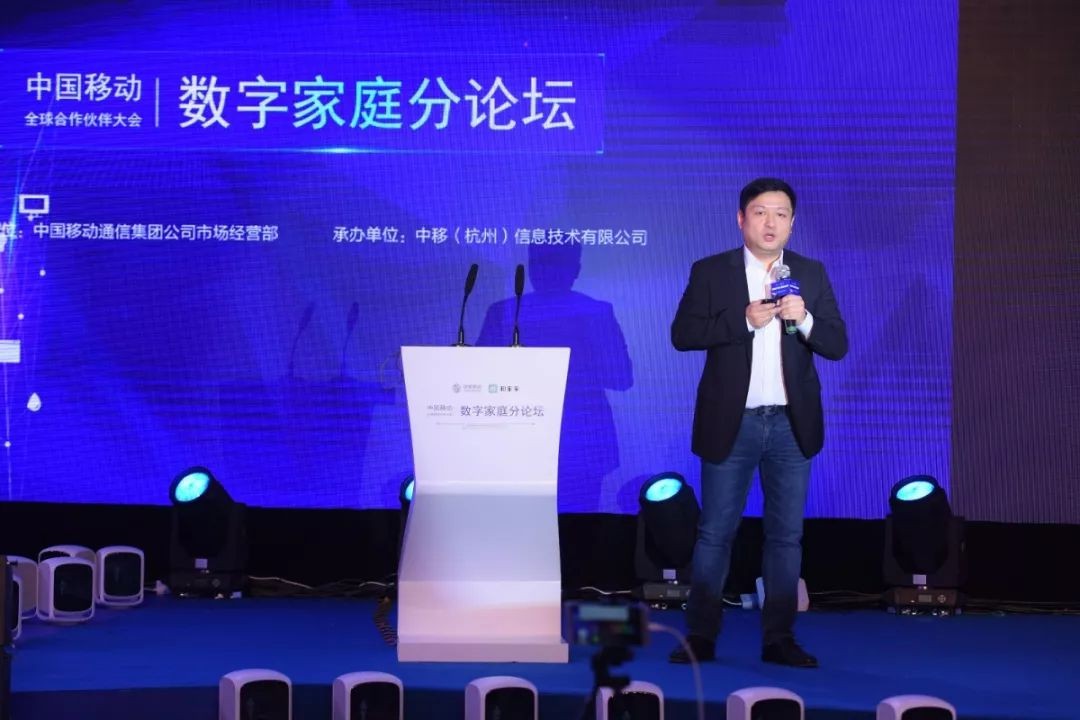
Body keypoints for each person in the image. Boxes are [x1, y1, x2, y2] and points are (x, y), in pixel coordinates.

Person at [668, 177, 847, 668]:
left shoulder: (809, 273)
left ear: (792, 222)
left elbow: (837, 344)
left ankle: (779, 639)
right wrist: (743, 321)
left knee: (786, 537)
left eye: (781, 214)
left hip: (791, 425)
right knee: (715, 534)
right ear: (741, 218)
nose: (771, 223)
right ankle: (700, 636)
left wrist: (804, 319)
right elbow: (683, 334)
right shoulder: (712, 271)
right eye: (761, 212)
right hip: (733, 422)